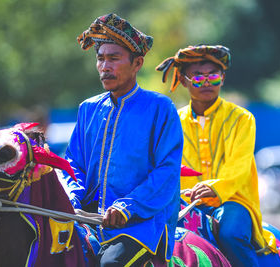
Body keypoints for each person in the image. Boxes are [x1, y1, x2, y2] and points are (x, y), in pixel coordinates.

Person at [61, 13, 183, 266]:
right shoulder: (88, 108)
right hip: (89, 219)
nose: (105, 66)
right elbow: (74, 163)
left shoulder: (160, 107)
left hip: (140, 223)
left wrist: (127, 207)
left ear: (137, 63)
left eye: (114, 59)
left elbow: (167, 172)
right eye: (100, 59)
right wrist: (71, 198)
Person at [156, 45, 275, 266]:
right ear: (183, 80)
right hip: (183, 202)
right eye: (198, 78)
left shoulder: (242, 118)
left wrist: (215, 188)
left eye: (213, 76)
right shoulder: (172, 121)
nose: (207, 82)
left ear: (223, 78)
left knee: (231, 235)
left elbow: (238, 167)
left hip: (233, 201)